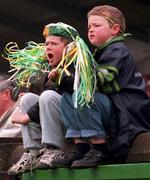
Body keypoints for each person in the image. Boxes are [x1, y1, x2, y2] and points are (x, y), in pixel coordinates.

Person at [51, 5, 150, 168]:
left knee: (83, 95)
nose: (91, 30)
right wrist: (61, 79)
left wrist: (68, 77)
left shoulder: (117, 50)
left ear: (115, 29)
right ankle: (81, 146)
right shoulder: (101, 52)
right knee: (67, 98)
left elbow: (102, 80)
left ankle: (99, 148)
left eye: (97, 26)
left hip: (125, 113)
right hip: (112, 109)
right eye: (89, 26)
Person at [8, 22, 95, 175]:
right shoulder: (53, 67)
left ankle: (54, 150)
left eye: (53, 43)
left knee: (47, 96)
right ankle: (32, 152)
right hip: (61, 123)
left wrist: (27, 116)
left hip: (79, 128)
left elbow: (56, 93)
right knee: (28, 98)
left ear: (70, 48)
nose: (47, 47)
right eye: (46, 43)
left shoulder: (79, 65)